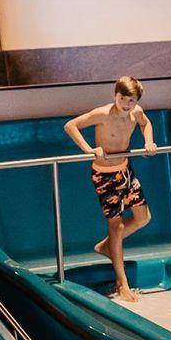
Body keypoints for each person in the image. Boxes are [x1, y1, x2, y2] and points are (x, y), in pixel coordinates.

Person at [63, 75, 155, 301]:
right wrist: (89, 149)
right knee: (116, 226)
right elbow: (71, 125)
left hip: (125, 170)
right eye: (122, 98)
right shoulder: (103, 113)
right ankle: (122, 283)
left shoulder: (137, 112)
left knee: (143, 218)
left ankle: (107, 246)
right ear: (115, 95)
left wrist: (148, 141)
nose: (126, 104)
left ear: (137, 101)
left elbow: (145, 123)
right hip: (105, 175)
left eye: (131, 100)